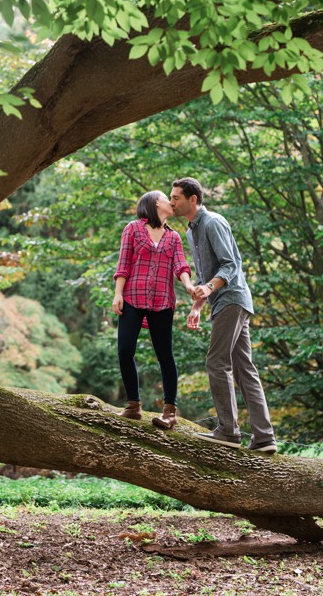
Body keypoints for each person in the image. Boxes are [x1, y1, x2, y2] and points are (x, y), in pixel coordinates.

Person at [169, 177, 278, 454]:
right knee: (244, 369)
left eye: (176, 197)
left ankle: (228, 430)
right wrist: (197, 305)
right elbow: (207, 276)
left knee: (217, 362)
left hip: (232, 299)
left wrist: (207, 288)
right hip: (224, 302)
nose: (172, 202)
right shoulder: (192, 232)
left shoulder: (212, 222)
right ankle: (264, 437)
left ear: (193, 199)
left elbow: (231, 265)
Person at [112, 190, 195, 430]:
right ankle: (133, 406)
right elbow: (123, 263)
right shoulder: (133, 229)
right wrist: (118, 294)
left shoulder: (174, 237)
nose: (170, 201)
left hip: (162, 302)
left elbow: (180, 265)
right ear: (153, 204)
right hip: (132, 298)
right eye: (164, 198)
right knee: (125, 349)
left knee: (165, 356)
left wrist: (188, 285)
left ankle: (170, 411)